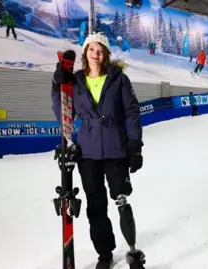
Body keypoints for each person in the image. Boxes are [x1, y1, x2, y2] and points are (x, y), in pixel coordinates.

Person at [50, 32, 146, 269]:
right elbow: (65, 113)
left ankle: (133, 251)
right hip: (88, 152)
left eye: (101, 50)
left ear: (106, 54)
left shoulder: (119, 79)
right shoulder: (76, 82)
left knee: (121, 198)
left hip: (116, 149)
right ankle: (105, 253)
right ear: (85, 52)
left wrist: (135, 146)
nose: (97, 54)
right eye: (92, 49)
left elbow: (132, 112)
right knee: (96, 205)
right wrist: (56, 86)